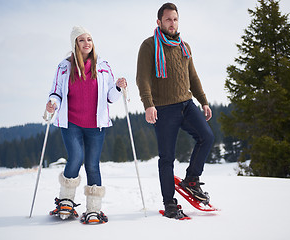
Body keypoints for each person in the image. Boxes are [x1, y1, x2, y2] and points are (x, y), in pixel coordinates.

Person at [136, 3, 214, 219]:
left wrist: (204, 101)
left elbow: (193, 77)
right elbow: (142, 78)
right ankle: (169, 202)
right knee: (167, 158)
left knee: (207, 136)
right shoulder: (149, 45)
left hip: (187, 104)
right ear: (159, 22)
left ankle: (191, 179)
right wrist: (148, 104)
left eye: (175, 19)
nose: (172, 23)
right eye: (168, 19)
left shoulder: (184, 46)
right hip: (163, 109)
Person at [46, 26, 127, 224]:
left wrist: (118, 87)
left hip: (95, 125)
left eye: (89, 39)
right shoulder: (64, 67)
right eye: (82, 40)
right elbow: (55, 92)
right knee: (76, 157)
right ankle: (65, 200)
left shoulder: (103, 66)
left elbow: (110, 97)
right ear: (75, 44)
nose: (87, 43)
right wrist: (52, 103)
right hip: (71, 122)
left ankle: (93, 209)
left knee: (92, 164)